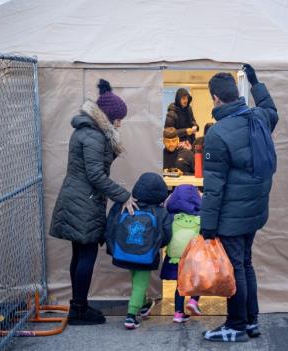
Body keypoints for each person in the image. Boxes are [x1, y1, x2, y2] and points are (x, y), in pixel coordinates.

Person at [199, 65, 278, 342]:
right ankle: (251, 322)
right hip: (255, 211)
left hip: (232, 216)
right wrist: (256, 83)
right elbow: (271, 108)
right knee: (245, 264)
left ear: (216, 99)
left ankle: (235, 325)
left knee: (236, 269)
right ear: (236, 94)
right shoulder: (259, 118)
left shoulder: (217, 134)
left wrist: (207, 227)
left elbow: (213, 187)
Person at [49, 79, 137, 326]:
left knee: (79, 253)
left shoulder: (89, 132)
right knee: (85, 253)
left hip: (78, 198)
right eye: (118, 118)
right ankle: (79, 310)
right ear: (107, 116)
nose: (120, 123)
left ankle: (79, 306)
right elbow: (96, 176)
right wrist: (124, 195)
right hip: (84, 201)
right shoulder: (94, 137)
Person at [105, 172, 172, 330]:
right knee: (140, 284)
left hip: (125, 252)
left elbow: (111, 226)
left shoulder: (125, 205)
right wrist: (156, 247)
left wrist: (113, 247)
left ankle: (143, 305)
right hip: (146, 254)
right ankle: (131, 316)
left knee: (136, 281)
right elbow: (167, 234)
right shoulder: (160, 211)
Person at [160, 184, 203, 323]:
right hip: (194, 258)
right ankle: (193, 300)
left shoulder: (171, 217)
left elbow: (165, 235)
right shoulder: (200, 217)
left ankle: (178, 314)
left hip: (175, 258)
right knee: (197, 281)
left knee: (180, 285)